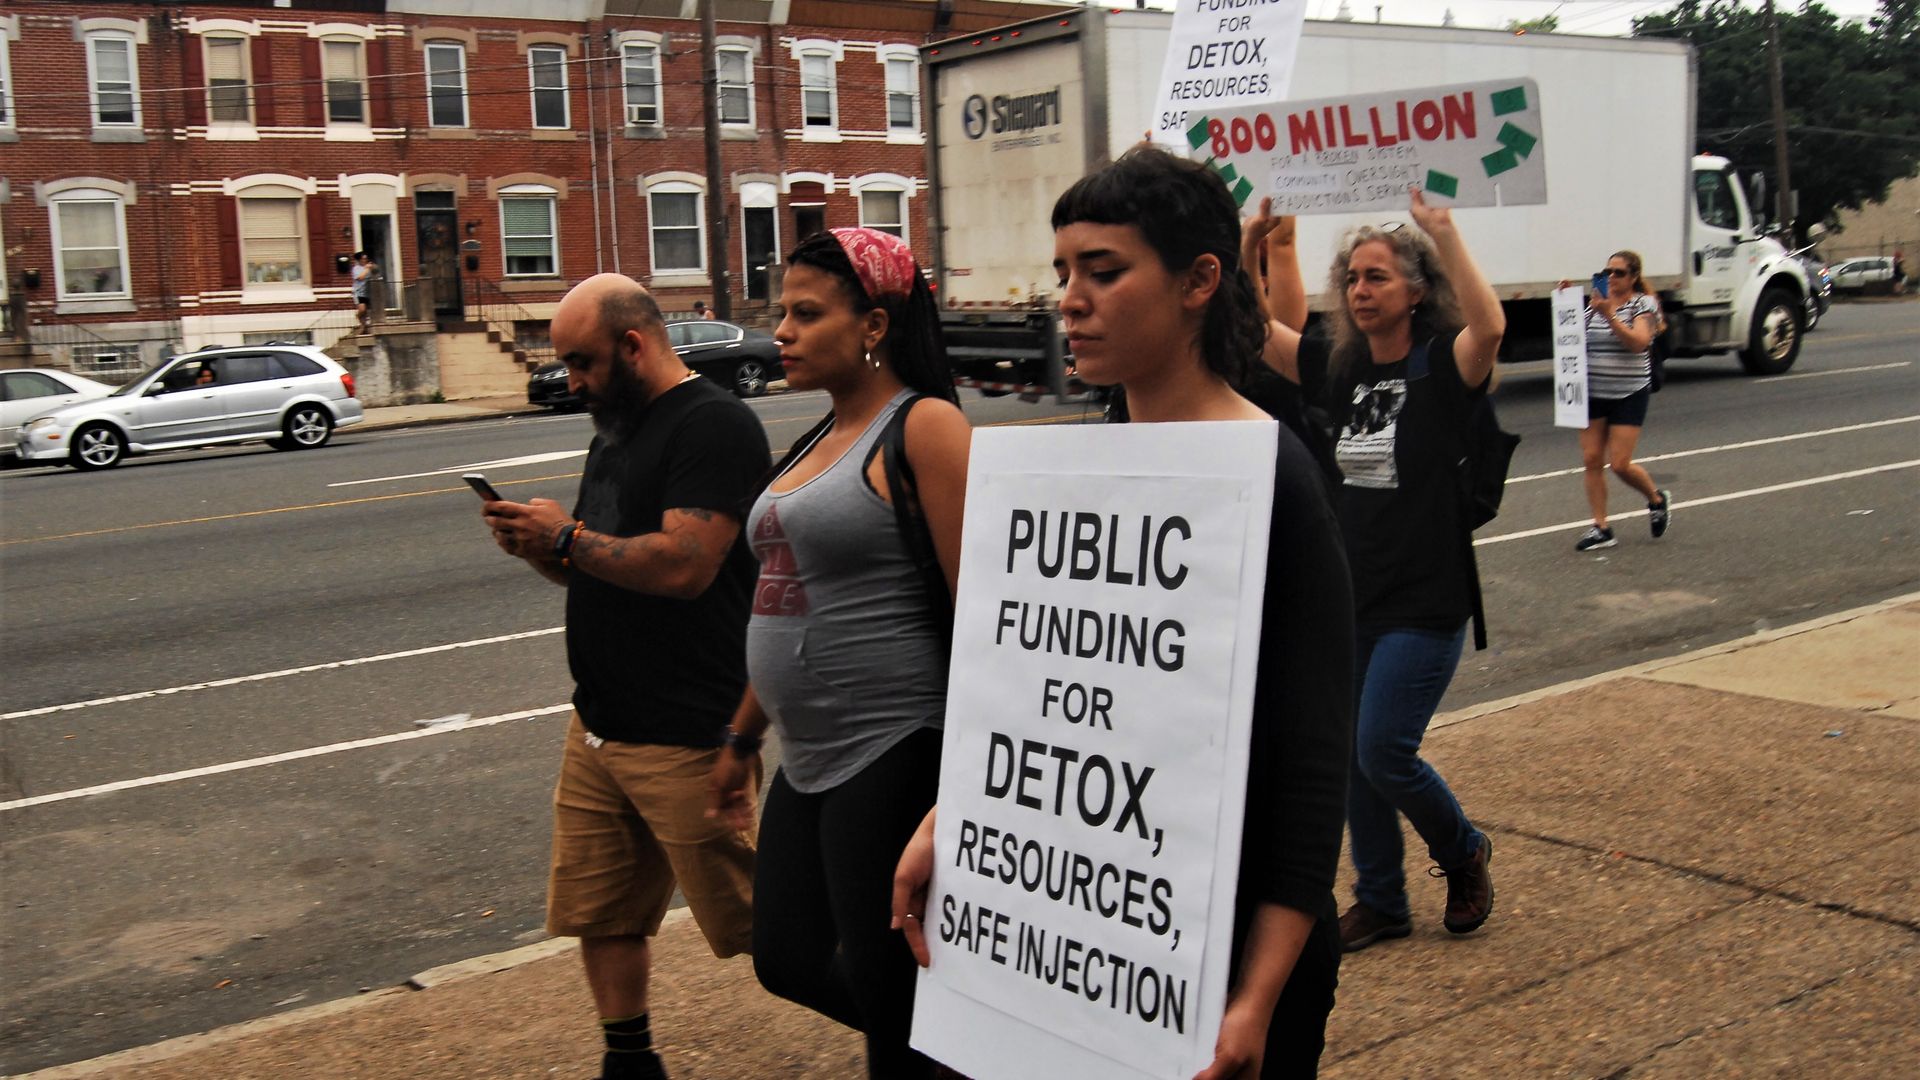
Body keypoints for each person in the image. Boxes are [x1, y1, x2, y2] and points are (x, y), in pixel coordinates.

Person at [892, 147, 1354, 1079]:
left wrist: (1255, 1000)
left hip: (1226, 961)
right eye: (1064, 272)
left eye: (1104, 272)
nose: (1070, 298)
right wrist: (955, 818)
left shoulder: (1275, 476)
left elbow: (1310, 767)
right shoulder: (1079, 469)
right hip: (1091, 954)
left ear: (1199, 281)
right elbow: (1033, 699)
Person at [481, 273, 771, 1080]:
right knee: (602, 911)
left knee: (768, 927)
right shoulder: (616, 426)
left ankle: (912, 1033)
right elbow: (600, 567)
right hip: (601, 723)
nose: (571, 381)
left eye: (581, 362)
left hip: (687, 728)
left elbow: (684, 566)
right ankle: (630, 1062)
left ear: (635, 346)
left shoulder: (713, 425)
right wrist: (544, 551)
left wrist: (566, 538)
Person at [707, 227, 970, 1080]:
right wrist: (743, 735)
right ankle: (973, 1053)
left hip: (892, 745)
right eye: (783, 311)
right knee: (784, 954)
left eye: (806, 313)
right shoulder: (817, 434)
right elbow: (783, 592)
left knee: (889, 984)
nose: (780, 330)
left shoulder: (923, 428)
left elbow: (983, 615)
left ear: (874, 325)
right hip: (808, 755)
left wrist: (967, 776)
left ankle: (956, 1054)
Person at [1247, 185, 1501, 955]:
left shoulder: (1441, 368)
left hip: (1427, 602)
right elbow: (1250, 330)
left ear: (1416, 291)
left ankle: (1463, 850)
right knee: (1350, 754)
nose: (1360, 290)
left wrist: (1444, 231)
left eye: (1378, 277)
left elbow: (1489, 325)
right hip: (1354, 597)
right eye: (1353, 278)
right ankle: (1381, 899)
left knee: (1381, 747)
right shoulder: (1340, 368)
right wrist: (1246, 243)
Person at [1567, 250, 1671, 552]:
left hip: (1628, 392)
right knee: (1591, 459)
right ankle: (1601, 527)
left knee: (1620, 463)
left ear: (1634, 277)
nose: (1611, 277)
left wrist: (1608, 314)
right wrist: (1566, 305)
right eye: (1607, 271)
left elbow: (1638, 343)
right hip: (1593, 392)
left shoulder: (1644, 305)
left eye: (1619, 273)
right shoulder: (1593, 306)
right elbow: (1571, 341)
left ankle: (1656, 498)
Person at [350, 252, 374, 333]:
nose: (365, 260)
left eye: (366, 258)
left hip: (367, 292)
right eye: (363, 258)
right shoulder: (356, 268)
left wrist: (371, 268)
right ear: (359, 260)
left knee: (366, 312)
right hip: (359, 292)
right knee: (362, 309)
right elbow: (360, 278)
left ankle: (363, 327)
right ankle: (357, 316)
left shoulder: (368, 268)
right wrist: (367, 269)